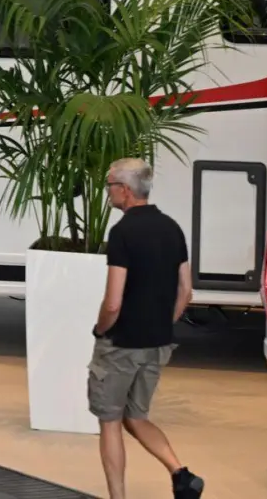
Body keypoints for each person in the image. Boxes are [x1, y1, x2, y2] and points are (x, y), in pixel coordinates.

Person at [91, 159, 204, 499]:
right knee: (136, 417)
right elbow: (186, 290)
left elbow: (113, 302)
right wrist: (162, 324)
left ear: (124, 190)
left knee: (110, 421)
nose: (108, 191)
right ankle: (181, 474)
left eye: (110, 185)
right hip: (158, 344)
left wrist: (100, 330)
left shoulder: (122, 232)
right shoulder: (172, 227)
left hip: (121, 344)